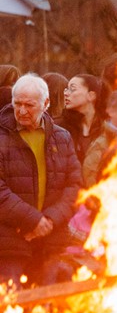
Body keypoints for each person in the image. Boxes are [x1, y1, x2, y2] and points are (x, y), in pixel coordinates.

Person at [0, 74, 82, 286]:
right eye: (17, 104)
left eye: (29, 105)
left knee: (50, 308)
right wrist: (32, 220)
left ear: (45, 104)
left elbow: (74, 186)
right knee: (10, 308)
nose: (22, 110)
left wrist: (49, 220)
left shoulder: (62, 137)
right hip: (10, 243)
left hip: (51, 239)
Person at [61, 74, 117, 187]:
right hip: (68, 197)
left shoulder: (108, 132)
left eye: (72, 89)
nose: (66, 93)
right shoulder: (60, 128)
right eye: (66, 89)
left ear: (91, 96)